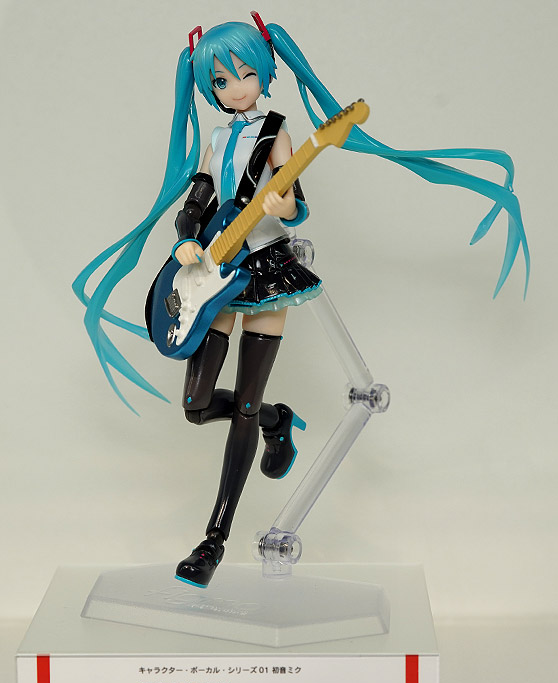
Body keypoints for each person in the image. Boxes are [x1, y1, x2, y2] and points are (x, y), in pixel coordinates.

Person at [73, 13, 529, 588]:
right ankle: (277, 418)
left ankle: (214, 540)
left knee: (242, 403)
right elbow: (198, 195)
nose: (237, 87)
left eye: (246, 74)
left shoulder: (278, 131)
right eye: (222, 80)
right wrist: (187, 236)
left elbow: (293, 201)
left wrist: (280, 205)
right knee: (194, 404)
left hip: (265, 271)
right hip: (213, 270)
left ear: (265, 72)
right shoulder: (217, 139)